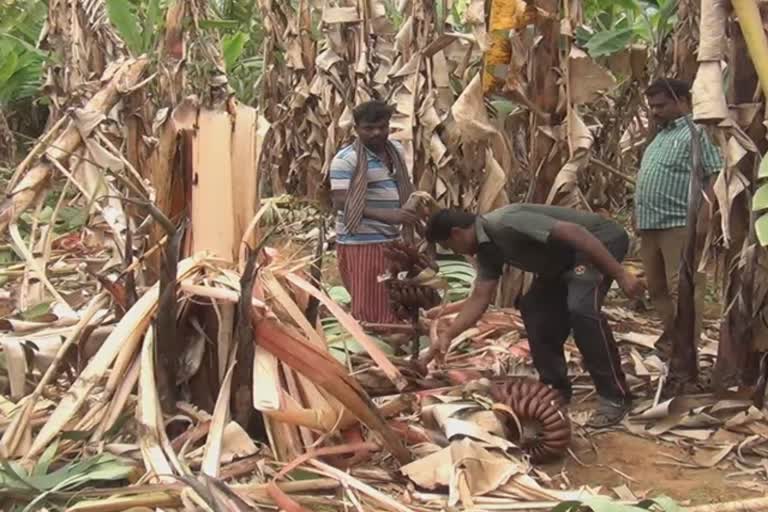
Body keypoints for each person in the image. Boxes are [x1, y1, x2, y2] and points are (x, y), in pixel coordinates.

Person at [424, 205, 645, 427]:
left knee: (581, 308)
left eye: (449, 246)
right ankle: (555, 388)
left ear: (456, 233)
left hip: (597, 242)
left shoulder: (504, 222)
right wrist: (448, 335)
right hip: (564, 261)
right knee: (534, 307)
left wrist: (621, 274)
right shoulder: (487, 250)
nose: (456, 252)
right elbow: (480, 298)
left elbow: (576, 233)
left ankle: (615, 396)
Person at [636, 79, 723, 351]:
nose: (654, 112)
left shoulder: (697, 133)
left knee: (684, 289)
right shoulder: (660, 136)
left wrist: (704, 220)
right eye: (651, 106)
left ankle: (687, 348)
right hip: (650, 225)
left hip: (678, 224)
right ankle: (671, 340)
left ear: (683, 101)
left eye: (660, 105)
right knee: (657, 288)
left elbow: (715, 176)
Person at [330, 100, 418, 324]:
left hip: (391, 239)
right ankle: (375, 347)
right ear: (357, 129)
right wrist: (390, 215)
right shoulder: (346, 160)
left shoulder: (396, 150)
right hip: (362, 241)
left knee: (394, 297)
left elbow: (403, 183)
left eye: (382, 126)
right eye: (368, 128)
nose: (376, 133)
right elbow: (341, 201)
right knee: (371, 305)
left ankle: (397, 340)